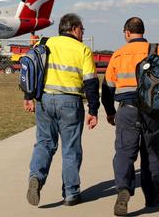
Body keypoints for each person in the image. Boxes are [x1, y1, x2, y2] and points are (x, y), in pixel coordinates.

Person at [103, 17, 159, 216]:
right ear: (143, 31)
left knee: (125, 152)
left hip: (127, 109)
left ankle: (123, 190)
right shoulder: (157, 50)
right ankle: (152, 196)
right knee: (151, 152)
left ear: (127, 32)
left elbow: (107, 87)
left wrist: (110, 112)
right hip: (153, 110)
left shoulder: (118, 54)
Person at [25, 13, 99, 207]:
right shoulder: (82, 49)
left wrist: (28, 97)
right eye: (82, 29)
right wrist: (93, 110)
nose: (83, 33)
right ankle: (71, 193)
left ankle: (36, 177)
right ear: (74, 29)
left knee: (44, 143)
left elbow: (31, 69)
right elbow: (91, 83)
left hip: (44, 100)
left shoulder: (44, 43)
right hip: (70, 102)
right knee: (70, 149)